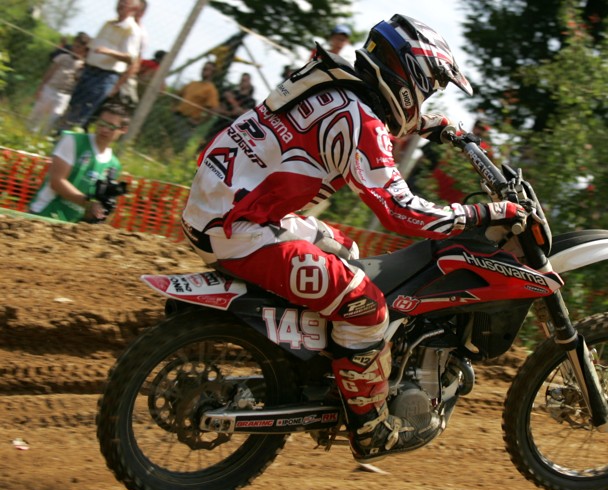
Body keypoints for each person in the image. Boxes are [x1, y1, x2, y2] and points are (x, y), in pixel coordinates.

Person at [181, 14, 527, 463]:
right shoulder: (362, 123)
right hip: (240, 230)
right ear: (408, 79)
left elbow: (362, 118)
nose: (425, 99)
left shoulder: (325, 80)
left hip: (218, 209)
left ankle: (319, 372)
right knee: (367, 308)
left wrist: (433, 125)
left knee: (347, 253)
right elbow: (400, 211)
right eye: (428, 89)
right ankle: (369, 427)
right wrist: (481, 213)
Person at [29, 100, 130, 223]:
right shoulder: (74, 141)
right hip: (43, 214)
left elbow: (96, 205)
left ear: (123, 129)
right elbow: (56, 181)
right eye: (101, 123)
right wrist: (88, 203)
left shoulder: (114, 165)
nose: (104, 129)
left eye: (111, 126)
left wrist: (99, 212)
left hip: (73, 226)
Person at [58, 0, 142, 132]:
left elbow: (130, 58)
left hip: (104, 76)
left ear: (134, 9)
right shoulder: (108, 23)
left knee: (83, 111)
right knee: (72, 105)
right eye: (120, 2)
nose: (120, 5)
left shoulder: (132, 31)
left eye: (125, 3)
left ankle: (69, 139)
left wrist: (108, 52)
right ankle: (58, 136)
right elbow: (93, 47)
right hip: (88, 70)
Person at [28, 32, 91, 135]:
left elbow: (78, 80)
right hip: (51, 88)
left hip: (64, 94)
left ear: (85, 50)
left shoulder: (83, 65)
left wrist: (80, 69)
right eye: (75, 46)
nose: (76, 49)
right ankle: (29, 133)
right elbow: (50, 72)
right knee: (38, 112)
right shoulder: (63, 57)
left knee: (54, 117)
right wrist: (41, 87)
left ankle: (44, 136)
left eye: (79, 47)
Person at [198, 72, 256, 151]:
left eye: (244, 80)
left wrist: (231, 101)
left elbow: (243, 113)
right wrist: (230, 112)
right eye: (241, 80)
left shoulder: (250, 101)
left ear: (249, 83)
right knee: (205, 144)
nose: (242, 82)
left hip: (232, 130)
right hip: (219, 124)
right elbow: (219, 108)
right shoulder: (233, 93)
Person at [172, 61, 220, 152]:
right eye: (204, 69)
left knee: (179, 145)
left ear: (212, 73)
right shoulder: (193, 84)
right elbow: (177, 95)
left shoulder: (211, 89)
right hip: (177, 116)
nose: (204, 71)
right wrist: (173, 107)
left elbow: (213, 110)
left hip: (188, 121)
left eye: (207, 69)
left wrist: (199, 122)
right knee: (168, 140)